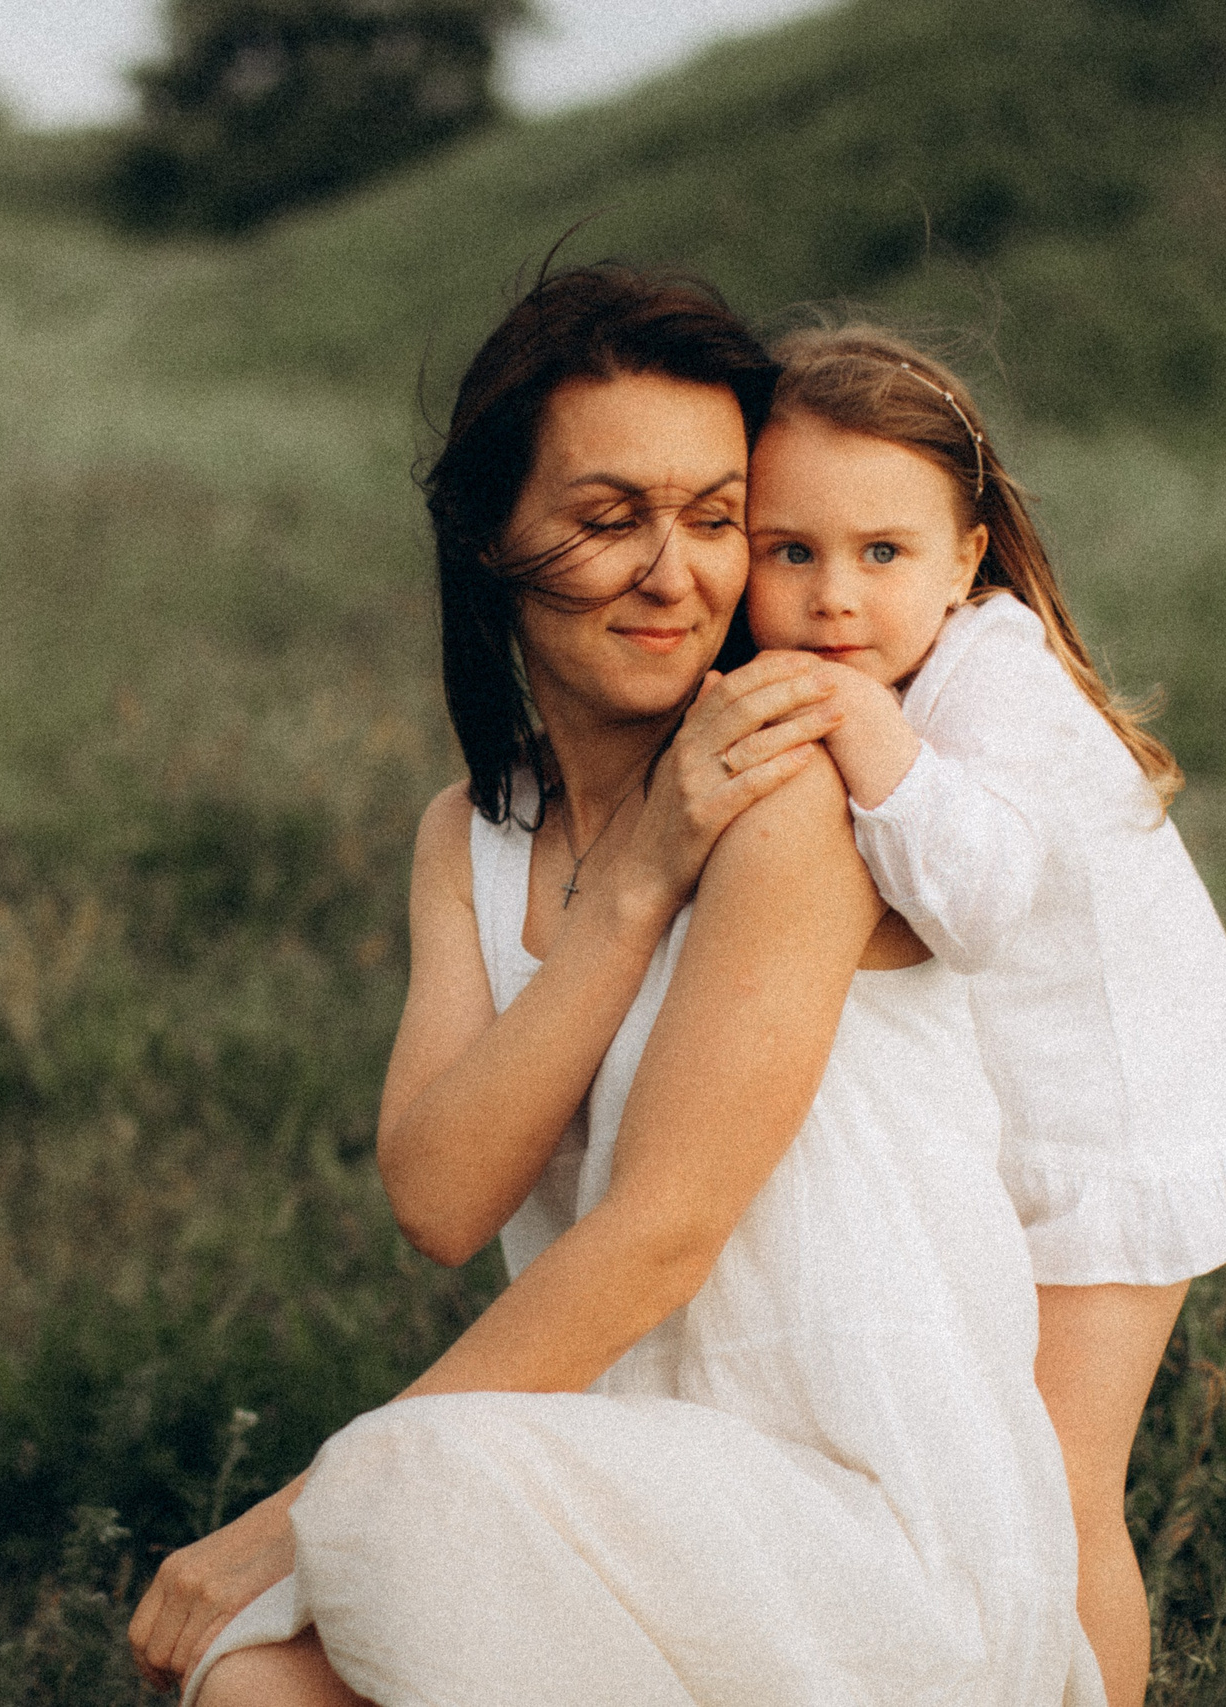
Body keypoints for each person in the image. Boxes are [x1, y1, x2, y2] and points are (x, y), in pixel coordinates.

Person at [129, 267, 1103, 1707]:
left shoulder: (797, 787)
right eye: (607, 519)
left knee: (385, 1492)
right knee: (249, 1686)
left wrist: (288, 1516)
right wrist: (638, 878)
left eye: (717, 519)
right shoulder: (470, 834)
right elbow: (442, 1195)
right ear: (486, 537)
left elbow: (662, 1232)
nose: (675, 572)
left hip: (875, 1537)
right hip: (636, 1505)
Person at [732, 325, 1226, 1707]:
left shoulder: (988, 676)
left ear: (966, 560)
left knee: (1057, 1490)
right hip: (1032, 1132)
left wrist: (856, 725)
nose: (834, 596)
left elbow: (981, 898)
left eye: (881, 554)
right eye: (791, 552)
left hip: (1113, 1143)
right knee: (982, 1480)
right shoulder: (906, 665)